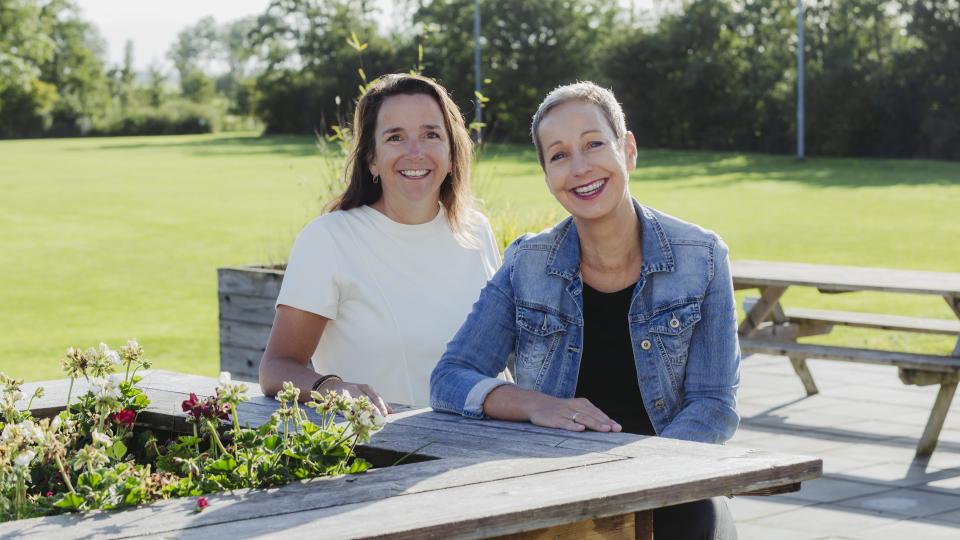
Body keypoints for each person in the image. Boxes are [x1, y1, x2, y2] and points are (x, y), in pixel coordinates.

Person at [429, 82, 740, 539]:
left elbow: (714, 405)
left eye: (594, 144)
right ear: (547, 174)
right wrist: (537, 405)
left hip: (671, 489)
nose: (579, 167)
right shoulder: (526, 263)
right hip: (553, 494)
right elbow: (450, 377)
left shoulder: (704, 257)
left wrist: (631, 476)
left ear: (627, 149)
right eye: (558, 155)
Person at [259, 74, 501, 415]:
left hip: (491, 449)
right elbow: (276, 368)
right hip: (386, 454)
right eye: (396, 137)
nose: (415, 152)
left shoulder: (476, 231)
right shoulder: (329, 240)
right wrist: (331, 387)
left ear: (451, 153)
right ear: (372, 158)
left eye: (431, 134)